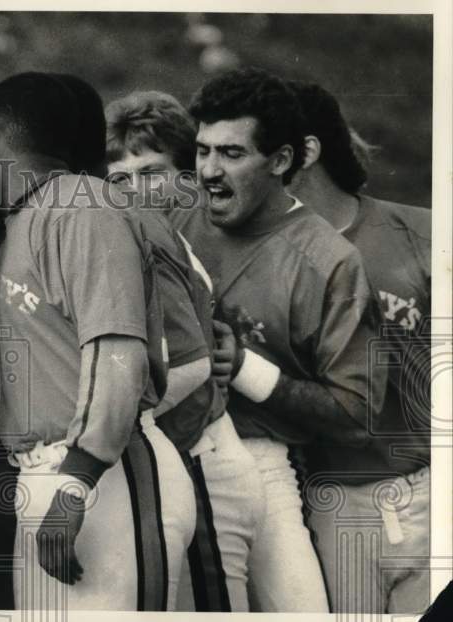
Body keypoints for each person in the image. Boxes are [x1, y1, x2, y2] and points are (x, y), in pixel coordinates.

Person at [170, 67, 386, 613]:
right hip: (172, 457)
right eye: (202, 151)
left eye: (232, 154)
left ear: (282, 161)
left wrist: (244, 366)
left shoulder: (329, 261)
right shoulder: (172, 214)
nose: (210, 171)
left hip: (265, 463)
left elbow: (358, 414)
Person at [0, 71, 193, 611]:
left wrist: (75, 482)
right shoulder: (26, 217)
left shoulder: (82, 204)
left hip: (103, 474)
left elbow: (118, 352)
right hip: (50, 476)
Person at [104, 89, 266, 612]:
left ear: (187, 173)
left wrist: (105, 428)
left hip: (205, 458)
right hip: (190, 456)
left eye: (151, 172)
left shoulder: (174, 242)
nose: (135, 190)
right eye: (120, 178)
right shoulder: (138, 236)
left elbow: (193, 372)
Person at [287, 79, 432, 614]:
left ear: (304, 152)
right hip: (331, 504)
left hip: (430, 491)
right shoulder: (261, 255)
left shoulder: (421, 233)